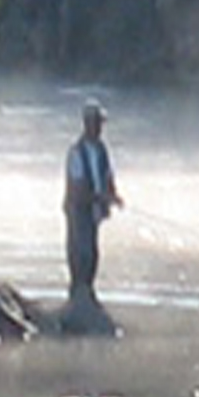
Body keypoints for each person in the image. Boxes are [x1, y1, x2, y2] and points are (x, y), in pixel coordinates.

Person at [63, 100, 122, 301]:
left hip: (93, 213)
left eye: (100, 124)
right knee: (81, 253)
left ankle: (87, 292)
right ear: (87, 124)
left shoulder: (101, 150)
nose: (100, 128)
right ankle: (78, 295)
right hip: (78, 212)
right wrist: (101, 197)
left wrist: (114, 194)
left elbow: (107, 177)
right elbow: (77, 189)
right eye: (97, 123)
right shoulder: (76, 153)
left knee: (93, 255)